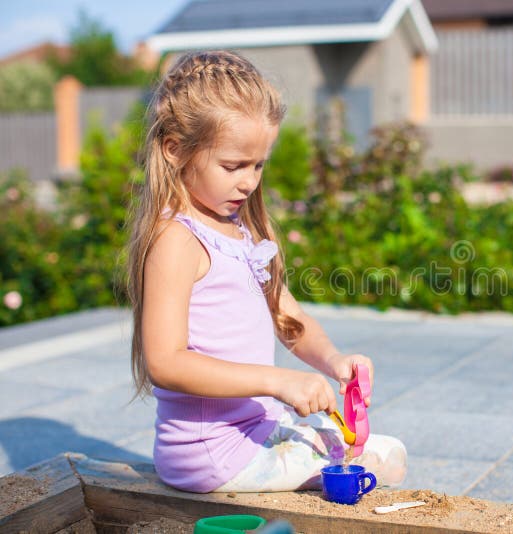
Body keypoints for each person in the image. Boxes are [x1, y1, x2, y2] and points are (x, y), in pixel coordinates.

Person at [125, 50, 407, 493]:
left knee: (372, 448)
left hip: (253, 433)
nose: (249, 181)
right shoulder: (177, 240)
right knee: (382, 457)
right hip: (208, 454)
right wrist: (278, 381)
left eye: (258, 165)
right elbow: (165, 362)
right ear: (175, 150)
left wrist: (333, 361)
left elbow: (287, 318)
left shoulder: (237, 229)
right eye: (233, 166)